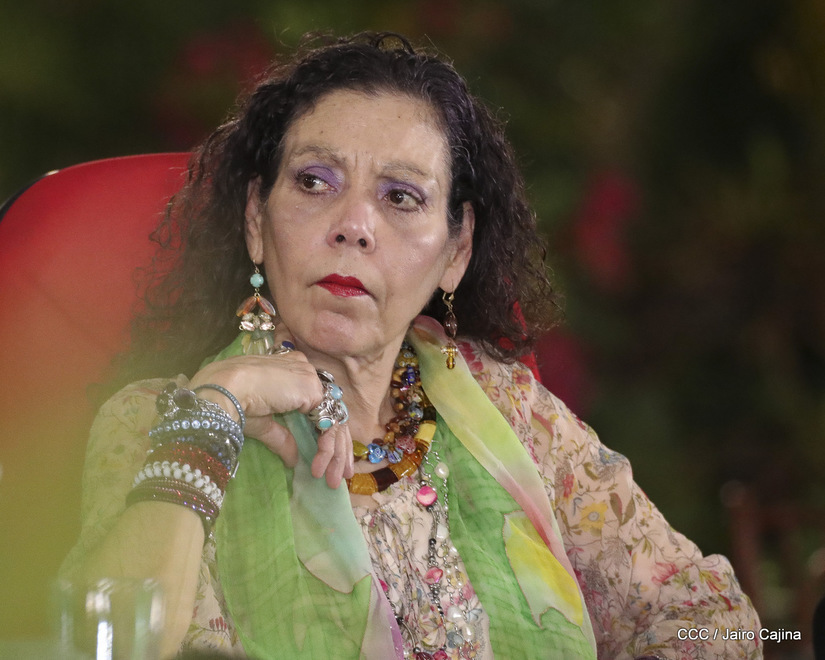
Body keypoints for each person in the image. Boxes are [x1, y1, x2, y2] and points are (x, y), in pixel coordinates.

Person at [61, 32, 762, 659]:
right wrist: (217, 409)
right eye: (314, 182)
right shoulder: (163, 423)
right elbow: (113, 642)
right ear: (255, 220)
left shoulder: (511, 414)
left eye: (400, 197)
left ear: (456, 251)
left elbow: (709, 620)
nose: (354, 225)